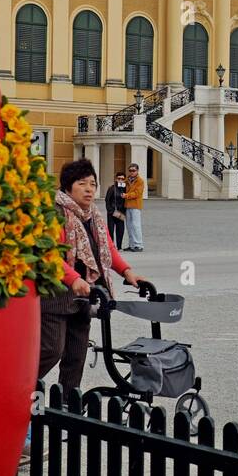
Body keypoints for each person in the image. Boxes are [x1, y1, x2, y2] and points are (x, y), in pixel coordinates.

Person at [39, 158, 148, 394]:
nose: (89, 189)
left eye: (92, 184)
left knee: (76, 356)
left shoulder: (94, 216)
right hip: (56, 294)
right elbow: (48, 254)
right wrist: (72, 279)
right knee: (50, 350)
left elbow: (107, 248)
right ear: (68, 187)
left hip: (86, 294)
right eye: (82, 183)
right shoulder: (54, 212)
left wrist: (127, 272)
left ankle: (67, 406)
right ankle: (18, 391)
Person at [122, 162, 145, 252]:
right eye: (130, 170)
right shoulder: (127, 180)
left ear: (137, 171)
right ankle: (132, 244)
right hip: (128, 205)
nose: (131, 172)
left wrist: (126, 195)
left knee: (136, 225)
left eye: (133, 170)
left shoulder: (140, 181)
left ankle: (138, 245)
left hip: (135, 205)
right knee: (129, 226)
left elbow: (137, 193)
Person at [104, 170, 127, 250]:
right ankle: (111, 246)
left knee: (120, 230)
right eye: (119, 178)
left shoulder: (125, 189)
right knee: (111, 229)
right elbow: (107, 200)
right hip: (112, 211)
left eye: (122, 178)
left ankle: (119, 246)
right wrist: (110, 210)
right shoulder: (112, 188)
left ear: (124, 179)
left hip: (121, 212)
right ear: (116, 179)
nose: (120, 180)